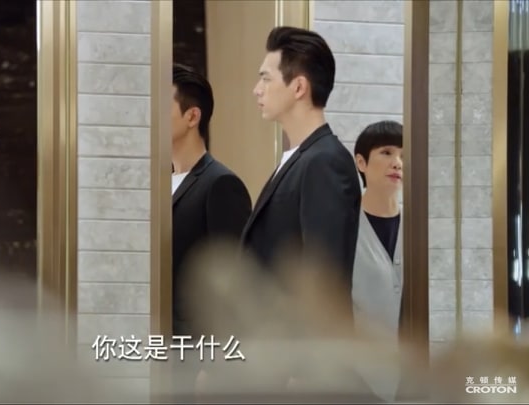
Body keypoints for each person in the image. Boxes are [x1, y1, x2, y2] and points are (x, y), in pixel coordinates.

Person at [241, 25, 361, 299]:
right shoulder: (301, 158)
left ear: (298, 87)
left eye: (266, 79)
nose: (257, 90)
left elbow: (325, 280)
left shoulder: (324, 162)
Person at [171, 63, 252, 399]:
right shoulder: (160, 183)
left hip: (196, 357)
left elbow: (233, 284)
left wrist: (214, 366)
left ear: (192, 116)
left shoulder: (221, 184)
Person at [351, 120, 404, 401]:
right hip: (357, 378)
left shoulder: (421, 227)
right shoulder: (344, 226)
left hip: (414, 377)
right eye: (387, 152)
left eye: (404, 156)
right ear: (361, 162)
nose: (397, 163)